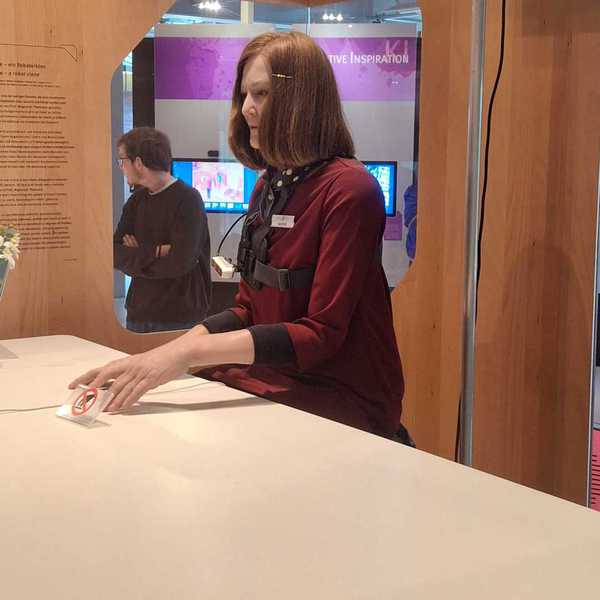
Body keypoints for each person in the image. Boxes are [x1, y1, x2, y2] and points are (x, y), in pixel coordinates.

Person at [71, 32, 406, 440]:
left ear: (302, 99)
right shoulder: (269, 185)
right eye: (245, 93)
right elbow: (249, 308)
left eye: (261, 94)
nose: (247, 108)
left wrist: (185, 354)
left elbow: (321, 334)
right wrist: (164, 354)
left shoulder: (350, 190)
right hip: (272, 379)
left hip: (339, 397)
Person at [113, 127, 211, 333]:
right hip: (139, 313)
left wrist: (137, 254)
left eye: (122, 160)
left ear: (138, 163)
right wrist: (157, 251)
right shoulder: (136, 201)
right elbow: (115, 254)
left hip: (180, 315)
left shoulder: (189, 200)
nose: (121, 167)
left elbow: (180, 263)